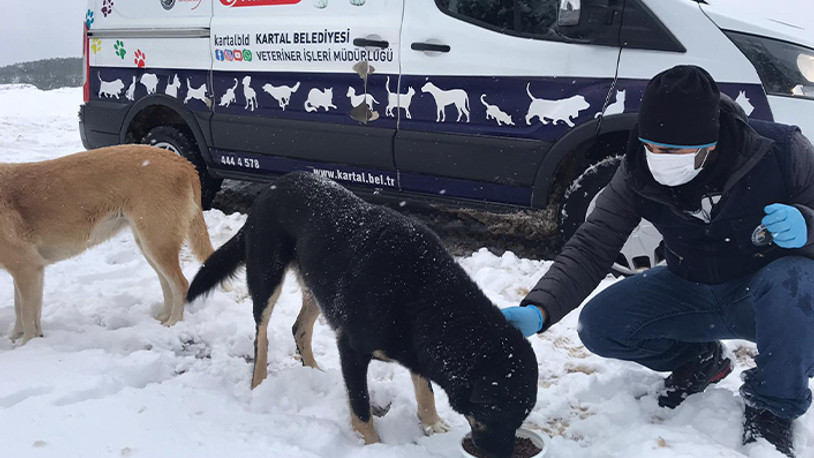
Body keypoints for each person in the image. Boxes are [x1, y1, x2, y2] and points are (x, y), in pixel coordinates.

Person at [501, 65, 814, 457]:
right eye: (651, 146)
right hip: (690, 288)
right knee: (600, 324)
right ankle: (700, 360)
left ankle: (773, 407)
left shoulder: (782, 152)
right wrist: (539, 309)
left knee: (796, 280)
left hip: (765, 295)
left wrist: (807, 224)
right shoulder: (637, 169)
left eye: (672, 151)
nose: (658, 158)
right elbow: (592, 244)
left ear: (710, 144)